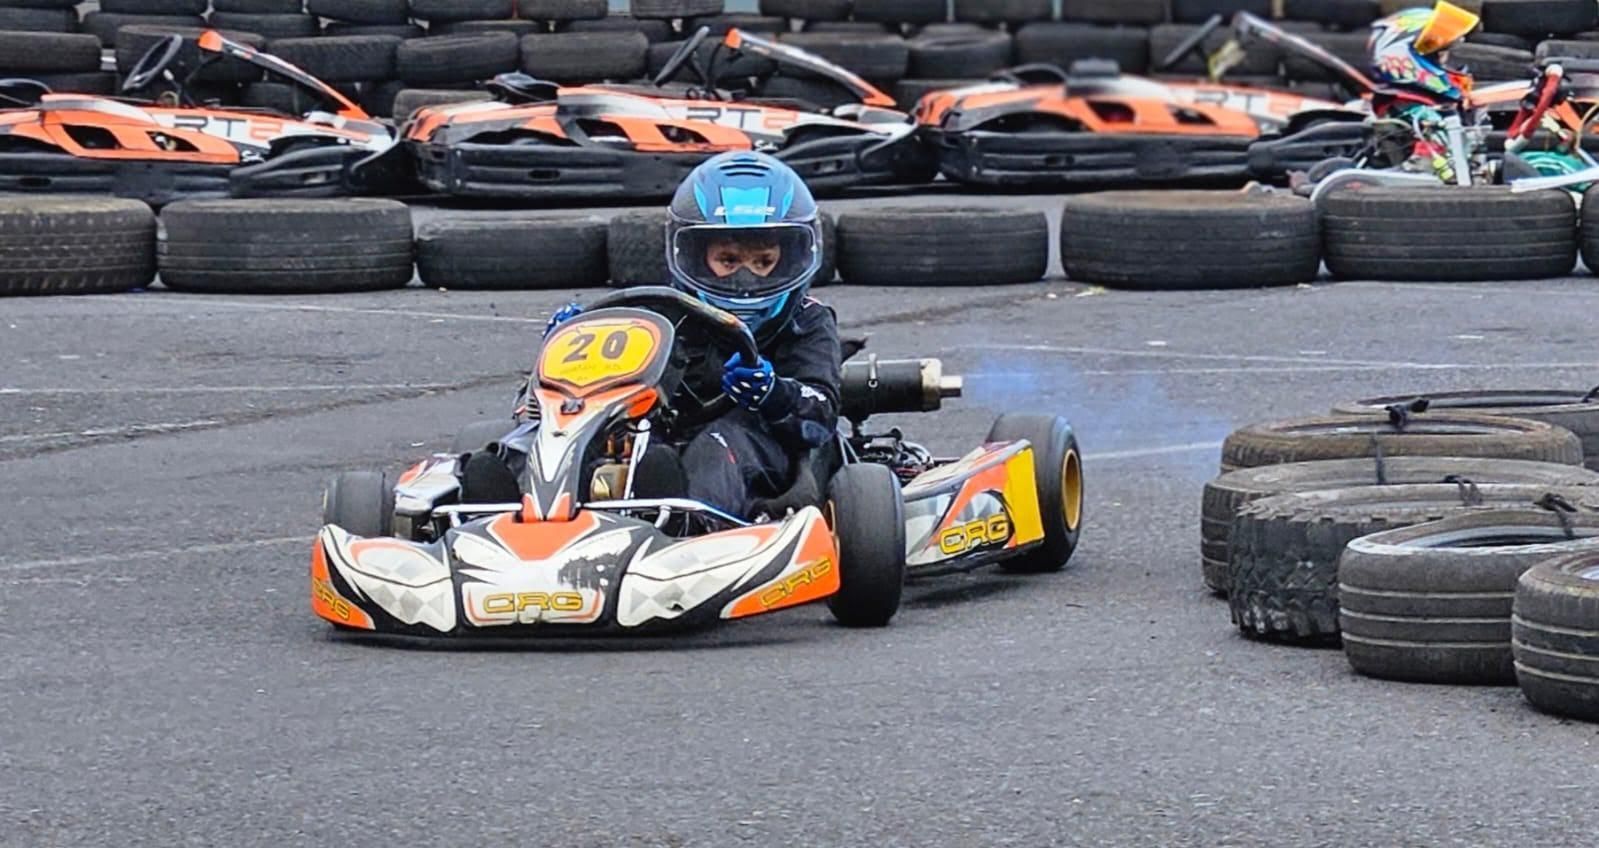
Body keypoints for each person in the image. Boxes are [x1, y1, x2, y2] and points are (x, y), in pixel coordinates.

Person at [470, 151, 842, 521]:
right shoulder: (661, 314)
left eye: (763, 262)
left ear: (794, 255)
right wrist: (563, 357)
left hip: (757, 445)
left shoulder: (807, 321)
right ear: (694, 254)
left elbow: (820, 417)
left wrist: (773, 394)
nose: (745, 280)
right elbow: (537, 408)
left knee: (717, 444)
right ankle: (498, 503)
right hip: (660, 435)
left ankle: (685, 524)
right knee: (586, 436)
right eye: (728, 261)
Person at [1366, 0, 1482, 184]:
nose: (1446, 65)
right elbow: (1435, 171)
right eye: (1439, 57)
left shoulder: (1429, 104)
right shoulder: (1415, 112)